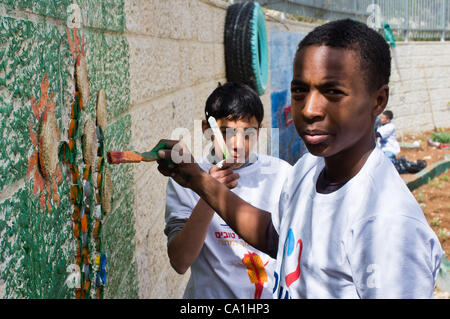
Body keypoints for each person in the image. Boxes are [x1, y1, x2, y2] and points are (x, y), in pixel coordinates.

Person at [156, 19, 442, 298]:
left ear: (378, 101)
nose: (309, 109)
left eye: (333, 92)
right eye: (300, 91)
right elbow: (274, 235)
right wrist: (197, 180)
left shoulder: (388, 225)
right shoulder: (308, 167)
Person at [164, 82, 292, 298]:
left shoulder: (282, 175)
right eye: (226, 132)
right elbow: (180, 261)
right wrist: (208, 191)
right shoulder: (187, 178)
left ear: (260, 131)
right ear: (207, 130)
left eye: (248, 133)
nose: (238, 144)